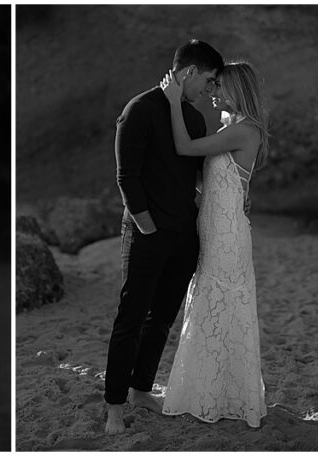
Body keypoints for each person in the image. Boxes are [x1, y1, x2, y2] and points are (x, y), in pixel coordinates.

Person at [105, 39, 224, 434]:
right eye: (207, 81)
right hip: (146, 232)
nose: (209, 91)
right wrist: (147, 227)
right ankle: (114, 409)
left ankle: (141, 389)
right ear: (189, 72)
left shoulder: (191, 118)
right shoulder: (137, 110)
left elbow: (193, 179)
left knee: (161, 321)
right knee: (131, 318)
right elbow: (127, 177)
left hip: (183, 236)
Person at [158, 61, 269, 427]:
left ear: (238, 90)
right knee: (210, 306)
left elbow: (185, 146)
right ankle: (210, 392)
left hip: (227, 236)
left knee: (220, 306)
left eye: (220, 87)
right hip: (214, 229)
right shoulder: (230, 128)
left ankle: (220, 396)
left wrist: (173, 101)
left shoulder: (244, 131)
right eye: (213, 85)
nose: (214, 93)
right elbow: (217, 182)